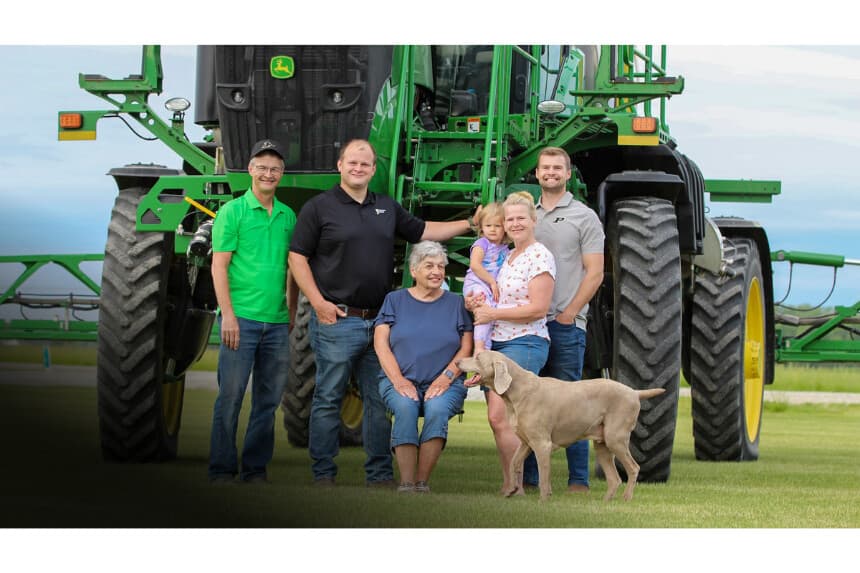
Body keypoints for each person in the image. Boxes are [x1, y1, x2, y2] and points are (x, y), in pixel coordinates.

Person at [288, 138, 480, 488]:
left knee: (379, 402)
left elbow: (423, 231)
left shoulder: (386, 207)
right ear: (340, 165)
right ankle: (323, 473)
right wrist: (317, 302)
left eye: (365, 164)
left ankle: (378, 474)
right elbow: (297, 257)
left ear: (374, 169)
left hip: (379, 322)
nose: (358, 168)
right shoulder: (319, 208)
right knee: (328, 397)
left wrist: (470, 223)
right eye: (352, 163)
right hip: (337, 320)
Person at [208, 139, 296, 484]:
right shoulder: (232, 212)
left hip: (275, 324)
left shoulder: (289, 216)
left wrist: (290, 309)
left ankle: (255, 470)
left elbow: (293, 268)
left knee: (267, 402)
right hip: (240, 320)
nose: (268, 174)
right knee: (230, 397)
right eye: (262, 167)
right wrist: (227, 315)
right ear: (250, 170)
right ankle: (222, 469)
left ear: (281, 174)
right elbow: (219, 267)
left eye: (274, 169)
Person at [527, 146, 605, 492]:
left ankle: (578, 481)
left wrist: (571, 313)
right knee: (529, 406)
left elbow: (595, 272)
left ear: (568, 173)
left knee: (571, 407)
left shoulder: (584, 216)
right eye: (545, 168)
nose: (551, 173)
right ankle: (528, 480)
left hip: (563, 324)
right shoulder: (527, 213)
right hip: (528, 326)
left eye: (557, 168)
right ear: (537, 173)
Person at [466, 191, 556, 492]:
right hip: (498, 341)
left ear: (533, 220)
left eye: (520, 218)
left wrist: (492, 312)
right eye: (509, 219)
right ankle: (515, 482)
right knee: (502, 419)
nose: (514, 224)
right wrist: (477, 302)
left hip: (525, 341)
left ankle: (515, 484)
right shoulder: (507, 256)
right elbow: (496, 296)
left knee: (501, 415)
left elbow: (538, 308)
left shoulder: (539, 256)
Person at [373, 241, 473, 493]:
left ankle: (422, 482)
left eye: (441, 266)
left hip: (445, 381)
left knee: (437, 408)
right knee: (405, 407)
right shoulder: (394, 300)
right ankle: (406, 483)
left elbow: (466, 348)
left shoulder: (456, 303)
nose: (436, 271)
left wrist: (446, 378)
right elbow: (381, 343)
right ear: (414, 270)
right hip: (399, 379)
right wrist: (398, 380)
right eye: (429, 266)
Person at [462, 202, 509, 355]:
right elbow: (475, 265)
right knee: (485, 309)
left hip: (490, 286)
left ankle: (484, 354)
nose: (493, 229)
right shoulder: (482, 243)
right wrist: (491, 282)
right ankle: (479, 347)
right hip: (477, 283)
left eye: (498, 226)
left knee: (493, 317)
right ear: (482, 227)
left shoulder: (505, 248)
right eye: (488, 225)